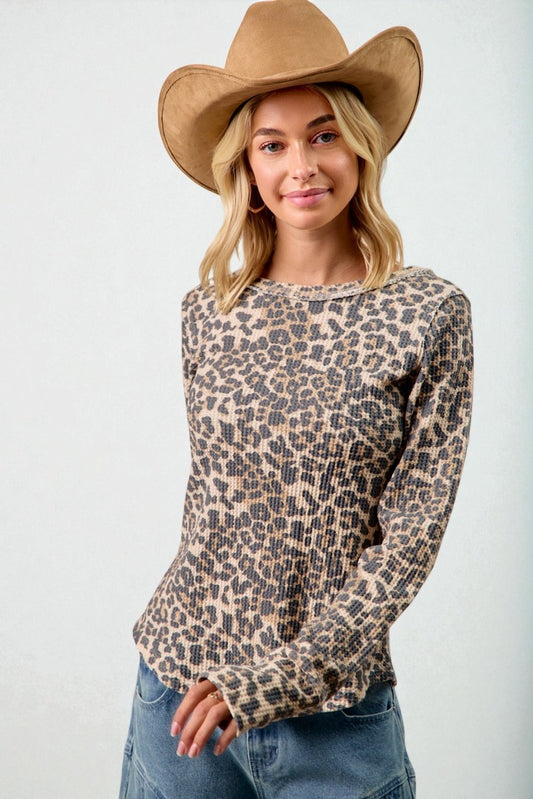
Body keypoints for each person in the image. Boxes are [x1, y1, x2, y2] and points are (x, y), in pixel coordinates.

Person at [119, 1, 473, 797]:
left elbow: (407, 543)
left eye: (323, 133)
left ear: (359, 143)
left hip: (334, 716)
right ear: (244, 169)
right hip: (180, 696)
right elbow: (222, 508)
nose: (301, 166)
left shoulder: (427, 313)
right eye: (270, 145)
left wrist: (279, 681)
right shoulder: (208, 311)